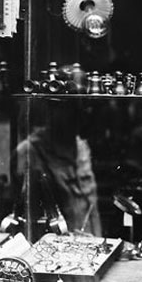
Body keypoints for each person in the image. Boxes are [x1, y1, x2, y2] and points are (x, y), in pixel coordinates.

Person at [14, 101, 102, 240]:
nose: (77, 117)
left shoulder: (82, 147)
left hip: (91, 243)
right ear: (50, 112)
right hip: (54, 247)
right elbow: (29, 213)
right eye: (68, 110)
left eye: (79, 111)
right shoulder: (30, 151)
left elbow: (92, 207)